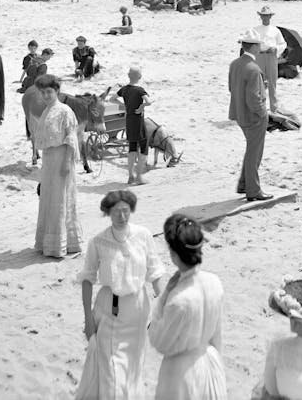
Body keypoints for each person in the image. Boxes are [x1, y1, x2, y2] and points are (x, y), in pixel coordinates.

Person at [76, 190, 164, 400]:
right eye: (116, 212)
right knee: (111, 370)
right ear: (108, 213)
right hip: (108, 312)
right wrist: (88, 318)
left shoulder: (143, 235)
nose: (122, 217)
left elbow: (155, 273)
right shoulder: (98, 242)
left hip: (138, 313)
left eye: (125, 211)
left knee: (132, 369)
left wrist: (162, 307)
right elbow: (87, 279)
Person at [148, 213, 227, 400]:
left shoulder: (178, 300)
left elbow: (159, 341)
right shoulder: (215, 282)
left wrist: (164, 295)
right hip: (210, 363)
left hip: (181, 375)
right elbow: (217, 336)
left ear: (174, 255)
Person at [29, 73, 83, 257]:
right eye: (42, 92)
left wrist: (67, 163)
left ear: (57, 91)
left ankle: (64, 244)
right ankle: (48, 243)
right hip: (49, 159)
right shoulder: (46, 110)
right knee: (48, 199)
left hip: (62, 157)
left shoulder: (64, 110)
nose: (45, 96)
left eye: (49, 92)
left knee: (61, 200)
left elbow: (71, 138)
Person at [229, 29, 271, 202]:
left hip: (239, 113)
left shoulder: (235, 63)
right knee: (255, 153)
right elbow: (253, 98)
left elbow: (232, 88)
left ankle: (244, 184)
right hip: (253, 116)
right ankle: (252, 190)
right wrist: (263, 113)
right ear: (253, 47)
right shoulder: (253, 68)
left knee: (251, 150)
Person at [116, 66, 151, 185]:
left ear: (128, 75)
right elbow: (149, 101)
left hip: (129, 121)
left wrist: (123, 106)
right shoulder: (140, 90)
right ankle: (139, 177)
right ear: (139, 77)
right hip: (138, 121)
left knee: (132, 147)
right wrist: (142, 107)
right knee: (144, 147)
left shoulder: (124, 89)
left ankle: (130, 176)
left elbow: (112, 99)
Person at [254, 5, 287, 112]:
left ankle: (274, 106)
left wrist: (276, 49)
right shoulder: (255, 30)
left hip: (272, 56)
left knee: (272, 81)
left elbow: (283, 43)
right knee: (259, 82)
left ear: (270, 17)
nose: (265, 18)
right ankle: (260, 106)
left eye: (267, 16)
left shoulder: (275, 30)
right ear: (260, 16)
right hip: (260, 55)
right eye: (263, 16)